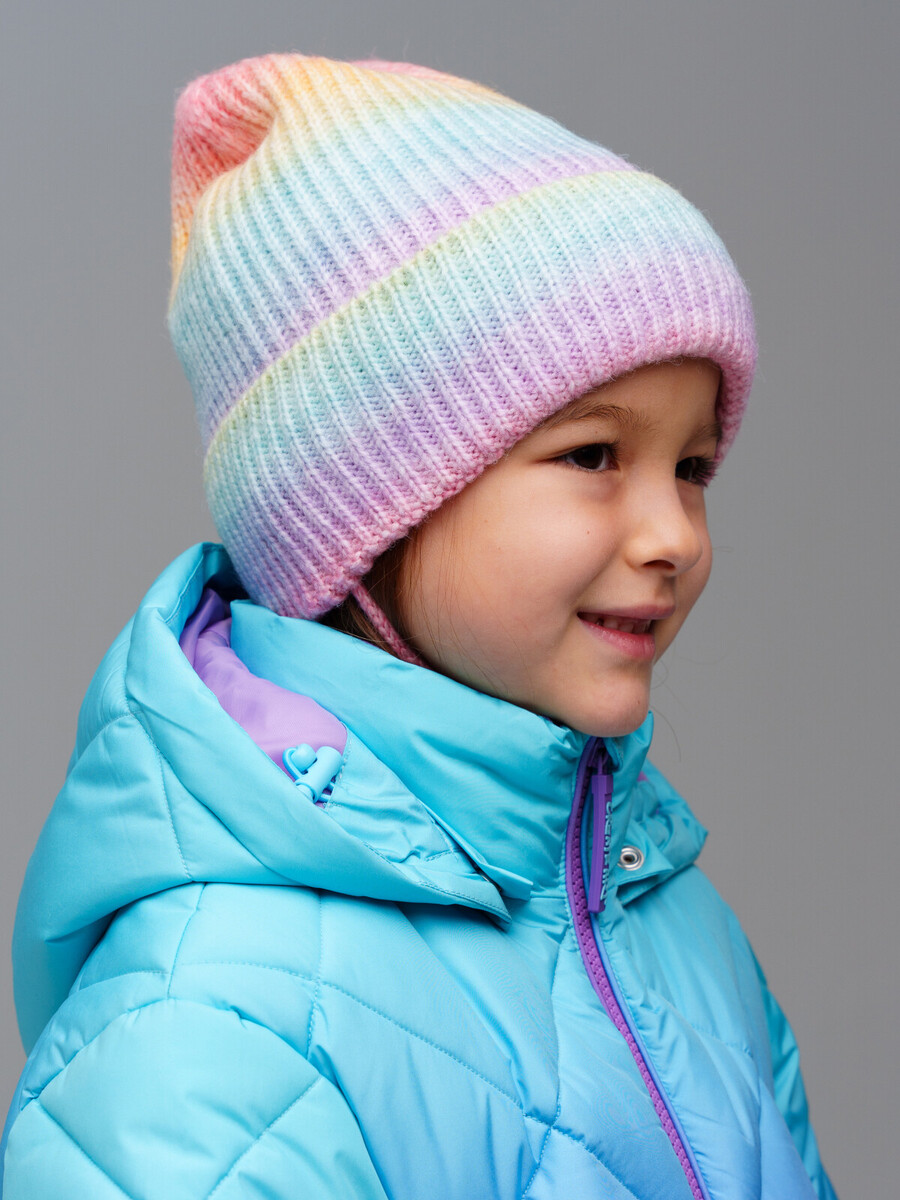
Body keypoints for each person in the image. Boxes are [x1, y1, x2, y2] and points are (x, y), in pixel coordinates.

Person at [0, 52, 836, 1200]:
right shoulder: (207, 1036)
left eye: (691, 467)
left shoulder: (685, 939)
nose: (675, 537)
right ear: (368, 505)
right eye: (595, 454)